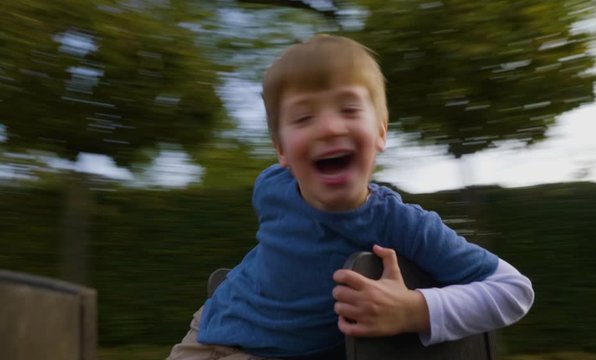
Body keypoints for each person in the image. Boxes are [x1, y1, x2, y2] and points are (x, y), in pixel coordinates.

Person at [168, 34, 534, 360]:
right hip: (206, 328)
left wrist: (413, 309)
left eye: (348, 109)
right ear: (281, 150)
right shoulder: (271, 186)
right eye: (303, 117)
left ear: (380, 133)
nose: (328, 127)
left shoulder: (398, 222)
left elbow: (513, 291)